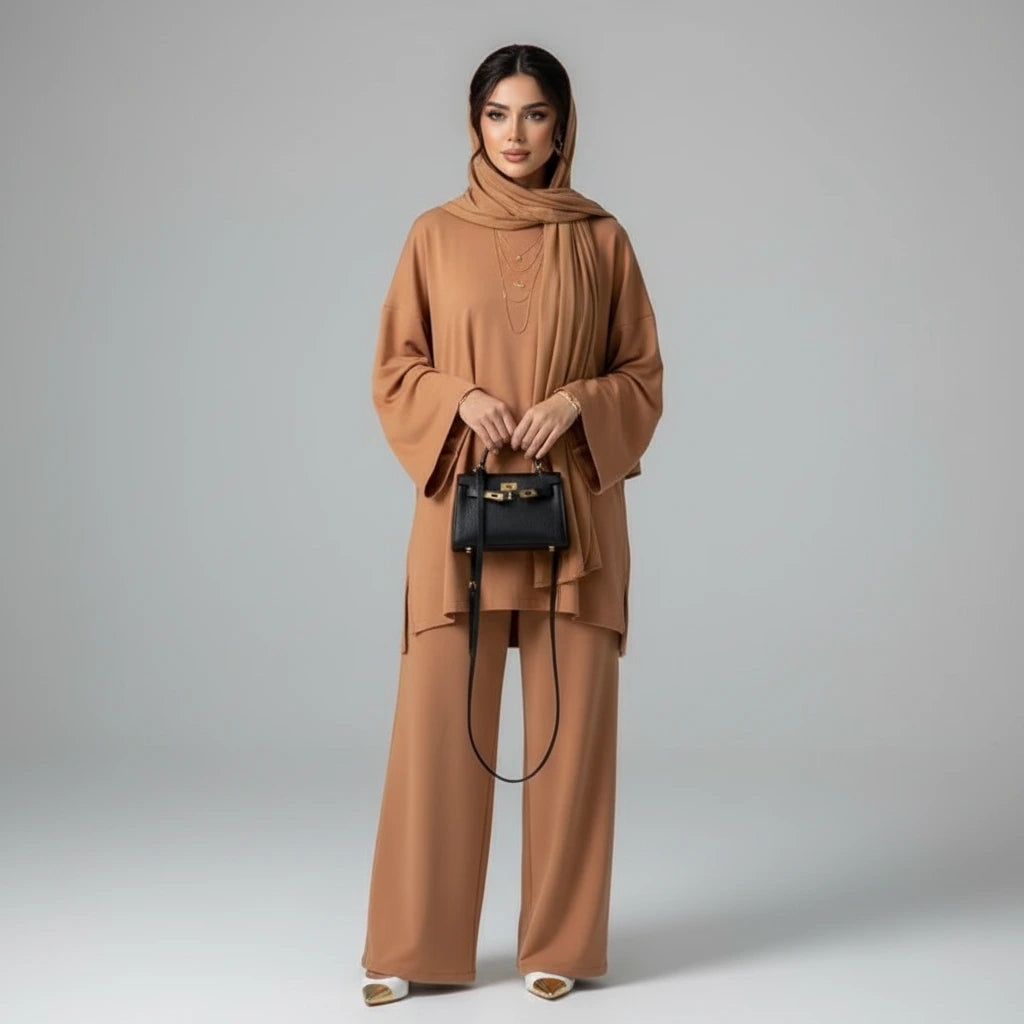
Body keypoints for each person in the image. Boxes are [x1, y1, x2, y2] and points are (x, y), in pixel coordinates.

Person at [359, 42, 663, 1006]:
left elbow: (643, 377)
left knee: (575, 740)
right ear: (474, 123)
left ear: (564, 124)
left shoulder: (603, 237)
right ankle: (415, 945)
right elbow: (394, 370)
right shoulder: (433, 235)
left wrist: (577, 403)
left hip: (575, 517)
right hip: (464, 513)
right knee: (437, 733)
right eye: (498, 114)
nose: (517, 134)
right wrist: (458, 396)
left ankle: (559, 944)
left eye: (535, 114)